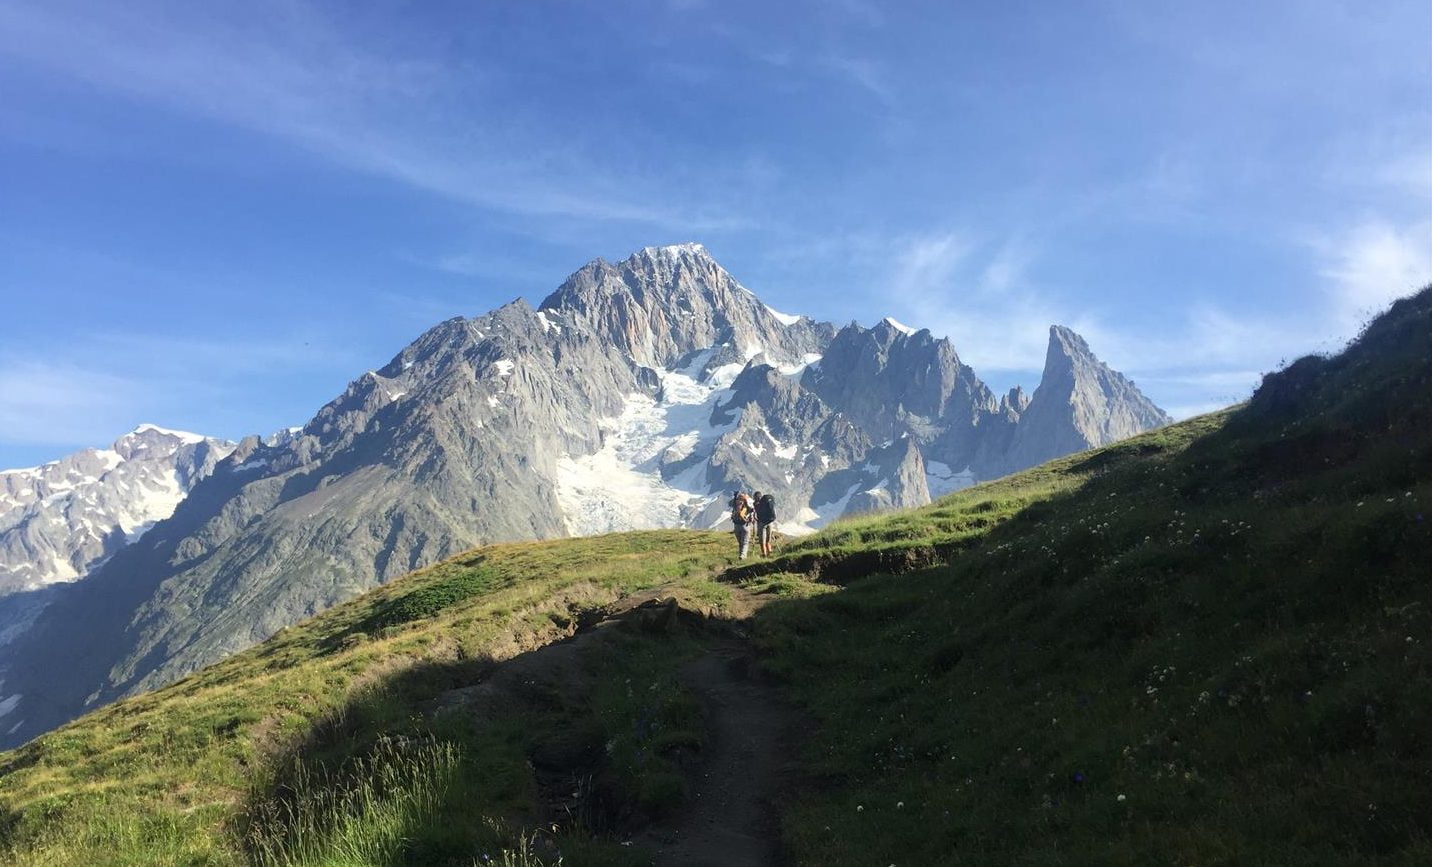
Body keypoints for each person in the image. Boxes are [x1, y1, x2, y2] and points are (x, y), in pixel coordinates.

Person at [729, 490, 755, 559]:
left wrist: (735, 498)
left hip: (736, 525)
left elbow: (729, 503)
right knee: (745, 542)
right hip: (745, 525)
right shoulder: (748, 506)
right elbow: (752, 512)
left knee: (740, 542)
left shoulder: (735, 505)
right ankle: (743, 556)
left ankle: (740, 555)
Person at [754, 490, 777, 556]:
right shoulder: (766, 501)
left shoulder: (757, 504)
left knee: (762, 542)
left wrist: (755, 504)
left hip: (762, 523)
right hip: (770, 522)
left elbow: (757, 514)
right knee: (768, 540)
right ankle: (770, 553)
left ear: (756, 497)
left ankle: (764, 554)